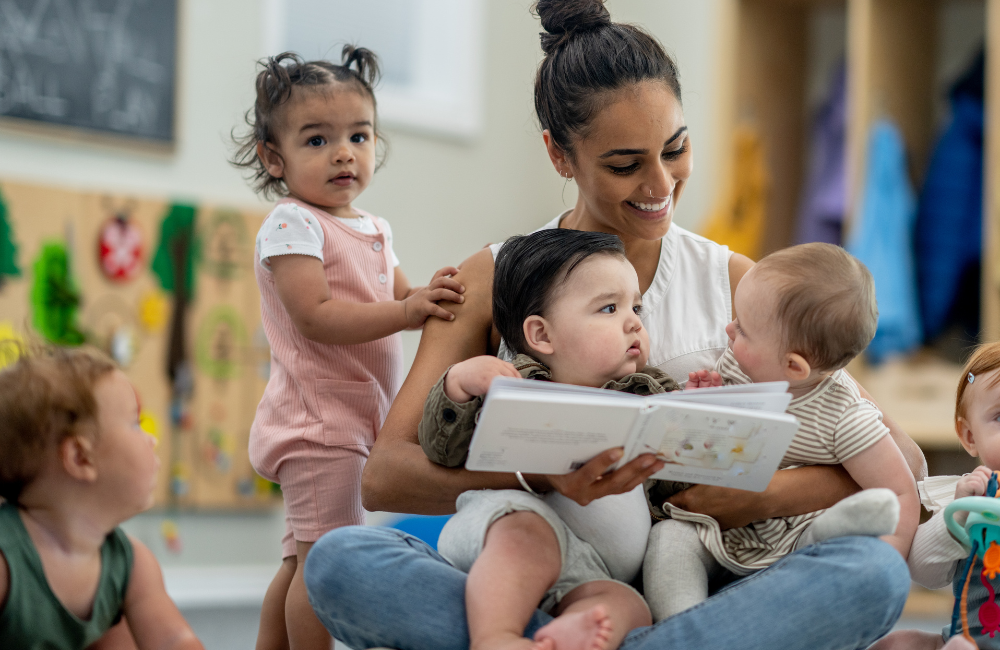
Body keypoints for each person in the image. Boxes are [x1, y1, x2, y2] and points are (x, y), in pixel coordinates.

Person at [304, 2, 921, 649]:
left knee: (872, 574)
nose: (661, 184)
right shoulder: (495, 275)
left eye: (676, 149)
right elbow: (385, 477)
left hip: (708, 579)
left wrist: (757, 498)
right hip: (542, 576)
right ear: (560, 156)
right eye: (626, 164)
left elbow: (891, 454)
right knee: (344, 562)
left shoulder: (741, 281)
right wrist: (538, 479)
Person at [230, 49, 465, 650]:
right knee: (325, 564)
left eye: (358, 135)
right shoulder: (292, 224)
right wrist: (408, 310)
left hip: (355, 419)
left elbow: (400, 294)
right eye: (317, 140)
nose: (343, 153)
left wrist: (433, 296)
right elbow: (317, 316)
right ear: (273, 157)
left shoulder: (372, 228)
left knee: (299, 562)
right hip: (318, 425)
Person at [420, 229, 684, 650]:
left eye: (636, 306)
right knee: (526, 535)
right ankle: (496, 637)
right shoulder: (514, 385)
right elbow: (441, 446)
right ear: (542, 336)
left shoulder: (650, 396)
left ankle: (567, 635)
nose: (634, 321)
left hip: (594, 572)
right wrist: (459, 384)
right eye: (610, 308)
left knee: (630, 606)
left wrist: (700, 420)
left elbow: (675, 483)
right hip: (509, 532)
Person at [643, 243, 919, 622]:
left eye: (743, 329)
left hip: (800, 542)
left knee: (837, 539)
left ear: (793, 366)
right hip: (724, 530)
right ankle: (683, 627)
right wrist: (704, 405)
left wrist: (891, 557)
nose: (729, 330)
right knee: (669, 540)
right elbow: (715, 445)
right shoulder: (740, 367)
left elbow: (900, 488)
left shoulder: (845, 416)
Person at [0, 344, 202, 650]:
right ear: (81, 457)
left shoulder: (133, 564)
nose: (152, 438)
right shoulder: (7, 560)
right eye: (135, 424)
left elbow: (174, 639)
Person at [870, 342, 1000, 650]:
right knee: (900, 642)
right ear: (970, 437)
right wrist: (953, 515)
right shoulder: (970, 494)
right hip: (968, 633)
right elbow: (923, 570)